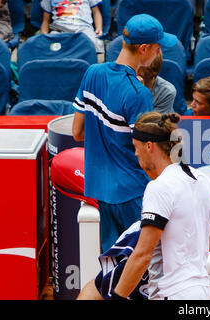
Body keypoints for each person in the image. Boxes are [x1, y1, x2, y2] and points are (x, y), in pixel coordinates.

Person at [77, 112, 210, 300]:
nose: (135, 154)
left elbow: (143, 254)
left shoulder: (159, 187)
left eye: (136, 147)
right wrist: (179, 250)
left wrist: (117, 298)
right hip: (200, 291)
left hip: (170, 293)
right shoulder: (205, 181)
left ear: (149, 146)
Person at [72, 14, 177, 252]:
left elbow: (77, 132)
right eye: (158, 47)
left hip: (100, 191)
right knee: (142, 270)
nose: (159, 52)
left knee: (113, 270)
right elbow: (150, 154)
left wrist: (109, 136)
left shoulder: (92, 73)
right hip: (134, 194)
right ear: (144, 49)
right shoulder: (138, 93)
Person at [40, 0, 105, 53]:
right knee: (51, 46)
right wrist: (44, 35)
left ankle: (94, 65)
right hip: (59, 28)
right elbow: (46, 20)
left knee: (93, 43)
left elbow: (96, 12)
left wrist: (99, 28)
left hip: (83, 27)